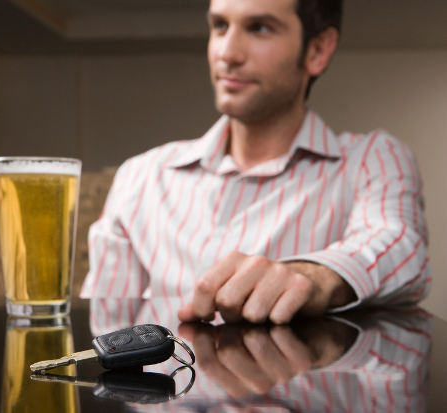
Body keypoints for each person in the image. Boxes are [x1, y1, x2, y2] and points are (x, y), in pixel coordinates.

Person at [80, 0, 430, 324]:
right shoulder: (139, 177)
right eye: (219, 26)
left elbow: (398, 244)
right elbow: (108, 332)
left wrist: (311, 276)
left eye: (260, 28)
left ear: (318, 50)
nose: (227, 53)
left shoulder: (371, 160)